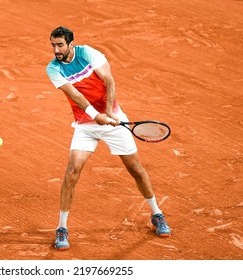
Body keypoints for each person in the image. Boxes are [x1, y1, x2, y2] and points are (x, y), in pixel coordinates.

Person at [46, 26, 171, 251]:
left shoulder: (88, 54)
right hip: (86, 126)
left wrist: (110, 113)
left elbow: (109, 80)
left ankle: (157, 213)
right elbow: (75, 94)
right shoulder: (53, 69)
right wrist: (96, 116)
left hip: (112, 120)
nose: (56, 49)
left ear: (70, 44)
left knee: (136, 169)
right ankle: (62, 227)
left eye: (60, 45)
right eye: (53, 45)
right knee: (72, 172)